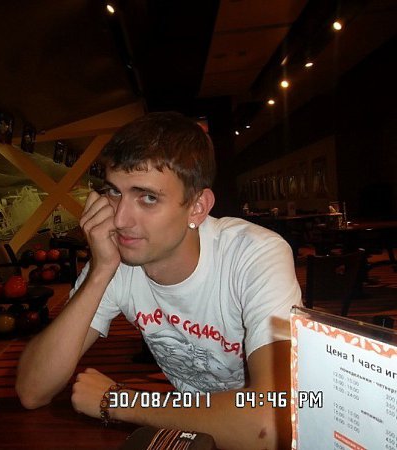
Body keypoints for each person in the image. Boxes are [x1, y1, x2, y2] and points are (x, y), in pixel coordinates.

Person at [16, 112, 302, 449]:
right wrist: (100, 272)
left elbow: (271, 422)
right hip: (198, 435)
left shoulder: (253, 254)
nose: (120, 219)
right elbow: (33, 390)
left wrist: (122, 402)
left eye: (148, 198)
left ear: (197, 208)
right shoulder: (118, 259)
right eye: (114, 192)